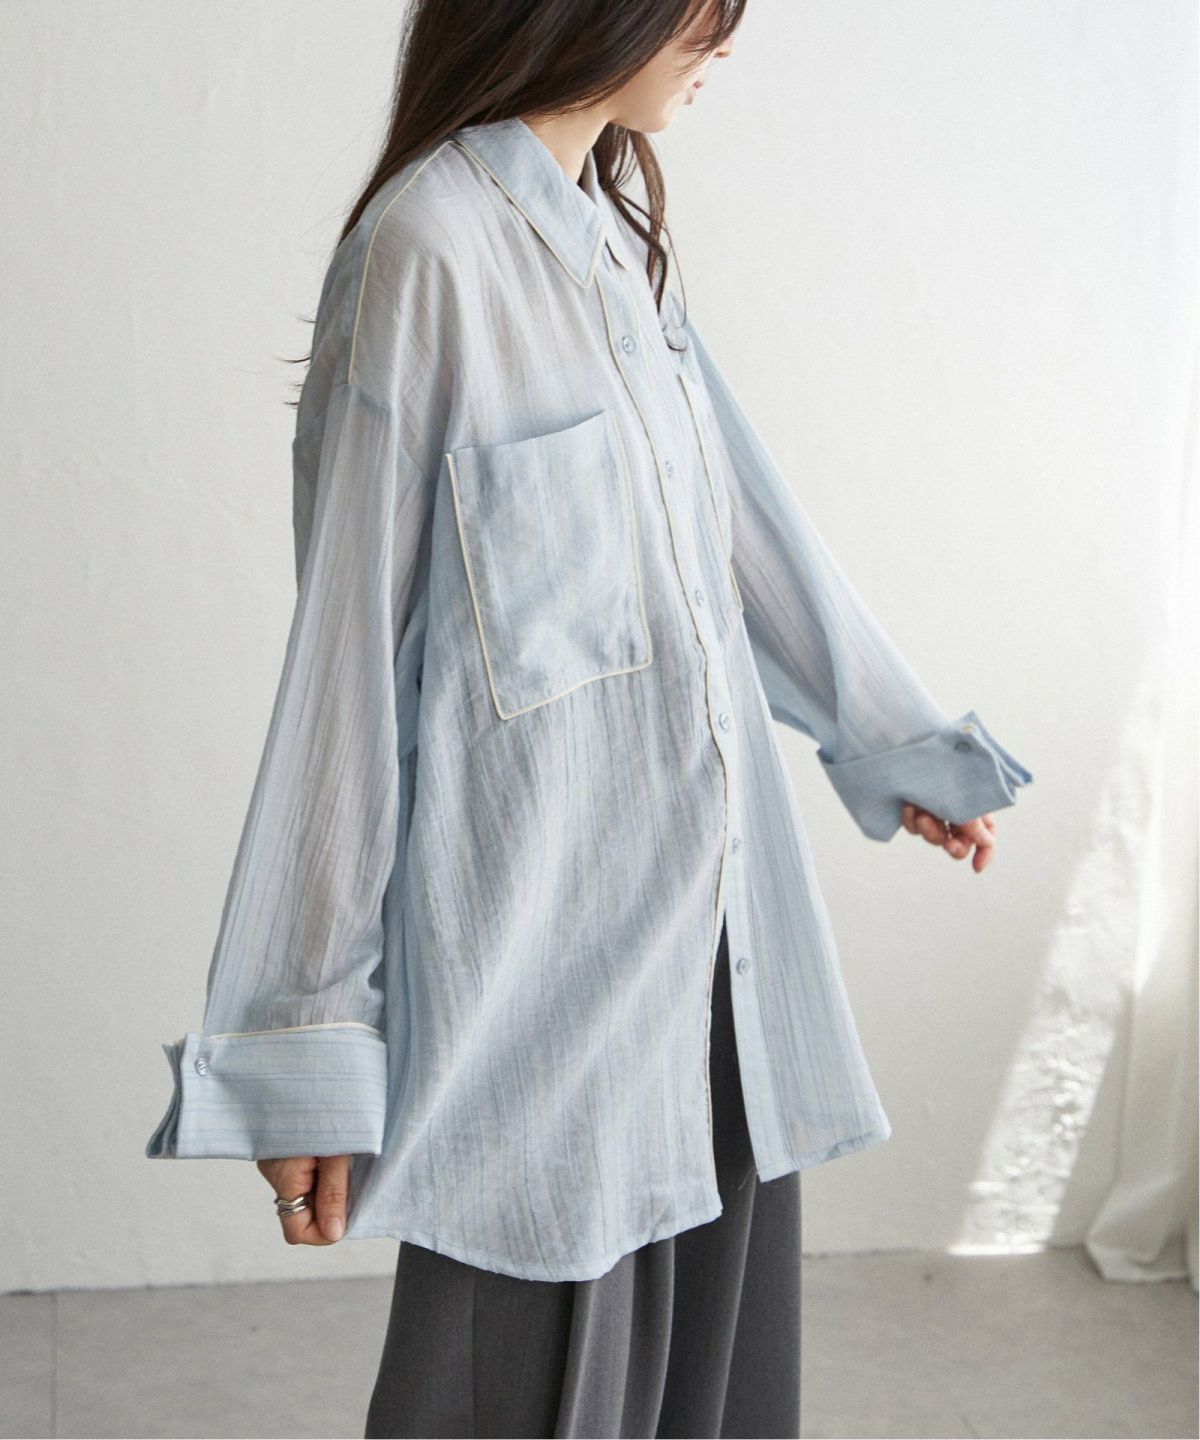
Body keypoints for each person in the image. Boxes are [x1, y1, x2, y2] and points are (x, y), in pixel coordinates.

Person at [144, 1, 1033, 1435]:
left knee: (713, 1402)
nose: (723, 38)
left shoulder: (616, 246)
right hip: (543, 995)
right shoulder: (428, 253)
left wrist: (892, 742)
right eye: (698, 7)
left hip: (722, 957)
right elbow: (343, 672)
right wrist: (306, 1036)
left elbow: (744, 530)